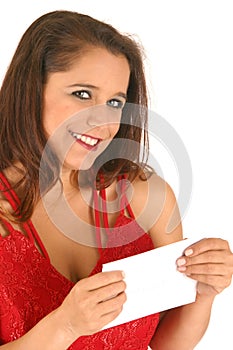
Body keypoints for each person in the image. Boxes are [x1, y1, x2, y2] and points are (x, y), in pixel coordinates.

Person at [0, 10, 232, 350]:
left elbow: (167, 344)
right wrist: (65, 326)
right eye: (81, 94)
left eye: (114, 102)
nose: (101, 120)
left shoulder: (145, 197)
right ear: (31, 90)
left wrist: (204, 292)